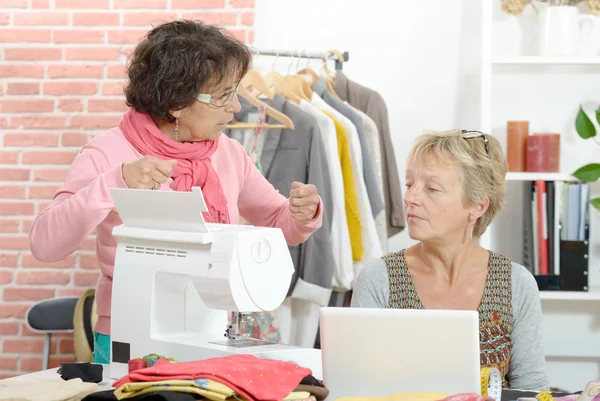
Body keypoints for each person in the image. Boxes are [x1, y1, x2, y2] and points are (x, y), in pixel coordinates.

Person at [29, 20, 324, 364]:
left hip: (212, 330)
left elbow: (276, 220)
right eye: (224, 96)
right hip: (128, 331)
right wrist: (115, 182)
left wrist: (302, 212)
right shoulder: (107, 154)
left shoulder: (228, 153)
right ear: (176, 103)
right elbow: (45, 244)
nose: (236, 108)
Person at [351, 129, 549, 390]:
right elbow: (355, 388)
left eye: (432, 188)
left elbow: (532, 391)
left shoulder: (516, 283)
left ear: (477, 206)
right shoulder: (379, 279)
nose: (410, 198)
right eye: (409, 184)